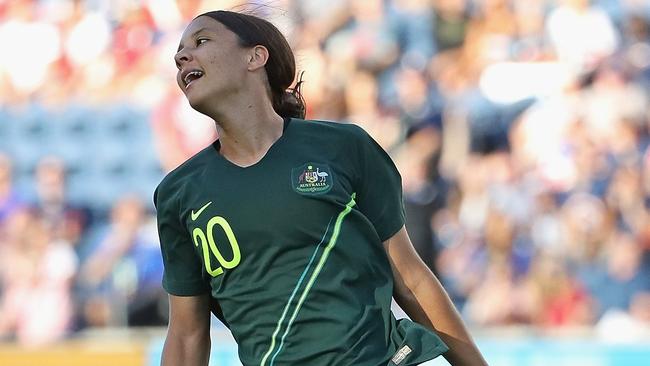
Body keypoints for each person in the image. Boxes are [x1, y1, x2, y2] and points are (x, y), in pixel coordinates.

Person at [154, 9, 487, 366]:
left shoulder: (345, 147)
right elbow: (187, 333)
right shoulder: (178, 193)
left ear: (255, 57)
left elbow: (410, 278)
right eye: (179, 51)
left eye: (201, 41)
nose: (180, 56)